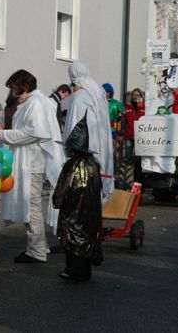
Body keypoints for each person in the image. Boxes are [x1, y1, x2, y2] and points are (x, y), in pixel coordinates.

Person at [0, 69, 65, 263]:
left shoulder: (36, 103)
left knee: (31, 206)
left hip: (32, 163)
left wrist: (4, 135)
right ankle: (38, 246)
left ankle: (37, 251)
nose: (11, 93)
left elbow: (35, 132)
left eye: (13, 88)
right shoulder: (32, 102)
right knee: (31, 206)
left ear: (23, 87)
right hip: (29, 161)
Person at [53, 114, 103, 281]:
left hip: (73, 211)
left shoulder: (71, 164)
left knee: (73, 240)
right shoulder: (93, 165)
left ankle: (74, 271)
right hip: (90, 213)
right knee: (86, 238)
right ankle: (84, 271)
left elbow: (63, 188)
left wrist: (58, 200)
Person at [64, 61, 114, 202]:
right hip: (97, 154)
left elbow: (73, 129)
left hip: (83, 156)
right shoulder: (97, 93)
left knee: (81, 199)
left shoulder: (79, 97)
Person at [123, 88, 144, 163]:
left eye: (138, 95)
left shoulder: (144, 108)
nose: (135, 97)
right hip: (129, 136)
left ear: (141, 97)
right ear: (131, 96)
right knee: (127, 157)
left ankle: (137, 174)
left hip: (140, 137)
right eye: (134, 95)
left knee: (138, 158)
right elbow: (122, 121)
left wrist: (140, 106)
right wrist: (120, 133)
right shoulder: (126, 107)